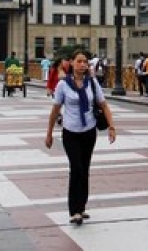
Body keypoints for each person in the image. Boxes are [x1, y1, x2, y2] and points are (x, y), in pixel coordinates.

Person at [45, 50, 117, 226]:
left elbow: (104, 105)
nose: (83, 64)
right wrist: (49, 133)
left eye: (85, 61)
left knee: (84, 169)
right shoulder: (63, 85)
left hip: (89, 131)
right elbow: (55, 110)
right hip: (70, 132)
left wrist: (112, 126)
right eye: (79, 61)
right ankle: (74, 210)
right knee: (76, 168)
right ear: (71, 63)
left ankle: (82, 207)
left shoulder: (92, 83)